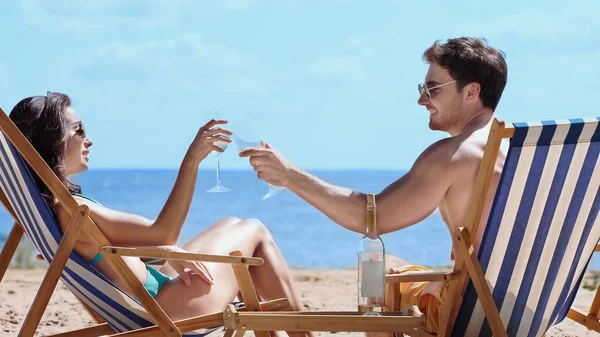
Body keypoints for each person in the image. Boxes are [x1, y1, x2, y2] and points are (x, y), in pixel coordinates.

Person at [240, 37, 508, 334]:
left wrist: (289, 175)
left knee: (376, 268)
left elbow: (371, 218)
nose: (422, 100)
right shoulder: (523, 151)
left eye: (432, 88)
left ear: (471, 91)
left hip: (473, 314)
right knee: (392, 263)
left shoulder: (454, 155)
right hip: (525, 310)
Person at [9, 92, 312, 337]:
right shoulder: (73, 210)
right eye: (78, 131)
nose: (89, 139)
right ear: (50, 142)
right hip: (170, 310)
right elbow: (163, 231)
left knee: (232, 224)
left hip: (161, 294)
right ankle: (305, 335)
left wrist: (163, 251)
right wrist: (192, 160)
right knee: (254, 229)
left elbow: (121, 251)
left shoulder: (65, 207)